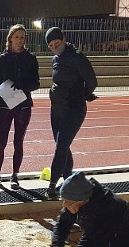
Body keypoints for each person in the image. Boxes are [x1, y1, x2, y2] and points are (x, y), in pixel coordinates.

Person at [0, 24, 40, 190]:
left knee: (18, 141)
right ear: (10, 39)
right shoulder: (2, 59)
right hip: (5, 105)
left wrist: (23, 86)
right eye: (16, 37)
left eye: (22, 37)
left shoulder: (31, 59)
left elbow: (37, 83)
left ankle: (15, 176)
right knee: (1, 142)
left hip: (23, 105)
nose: (19, 40)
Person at [44, 27, 98, 200]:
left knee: (61, 146)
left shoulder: (77, 57)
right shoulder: (55, 59)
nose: (54, 47)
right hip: (57, 108)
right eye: (51, 46)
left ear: (64, 39)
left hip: (73, 109)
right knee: (63, 147)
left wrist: (82, 95)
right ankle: (68, 182)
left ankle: (52, 185)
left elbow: (92, 81)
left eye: (57, 43)